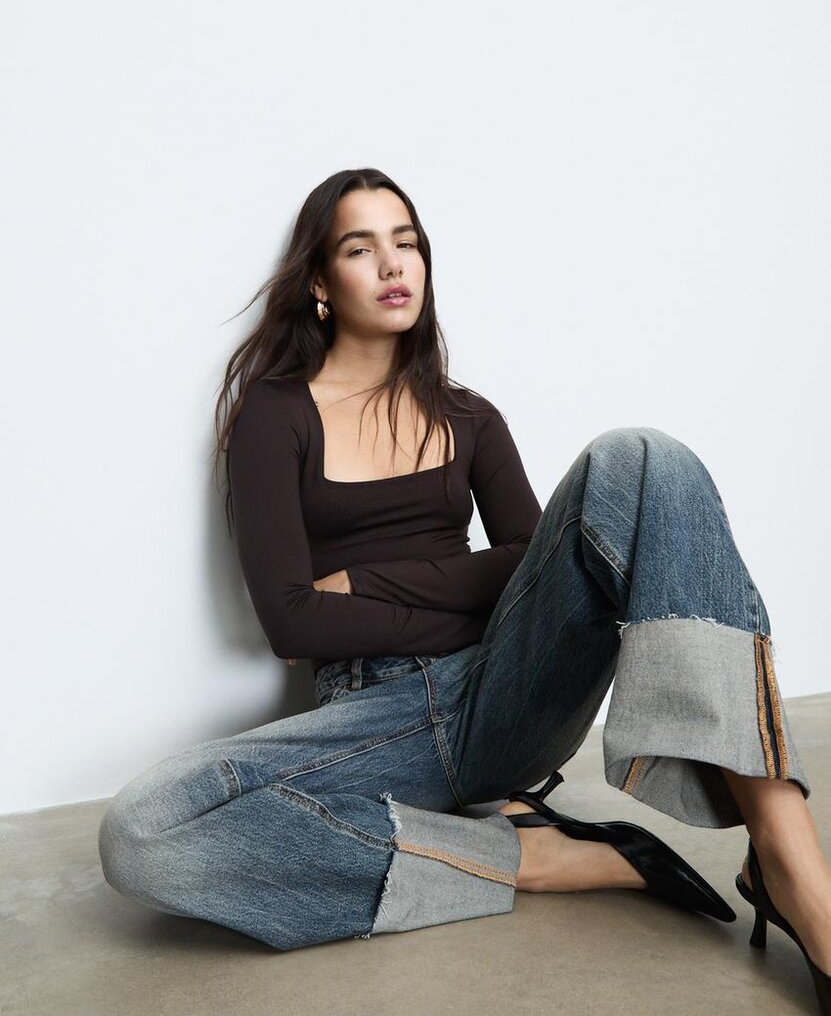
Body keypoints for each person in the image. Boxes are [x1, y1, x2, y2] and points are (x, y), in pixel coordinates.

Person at [98, 167, 830, 1012]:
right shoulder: (277, 414)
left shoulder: (468, 415)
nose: (391, 264)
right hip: (378, 721)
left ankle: (786, 857)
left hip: (505, 690)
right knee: (142, 832)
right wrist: (473, 591)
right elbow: (292, 623)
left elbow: (528, 562)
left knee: (643, 458)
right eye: (359, 248)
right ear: (320, 283)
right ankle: (524, 854)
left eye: (405, 243)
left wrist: (363, 582)